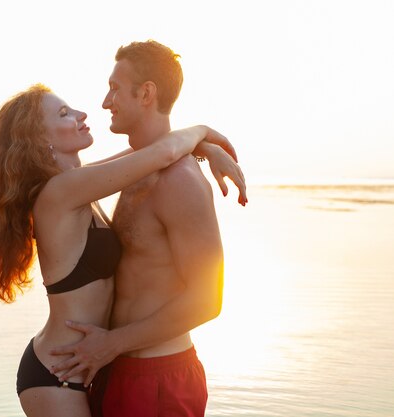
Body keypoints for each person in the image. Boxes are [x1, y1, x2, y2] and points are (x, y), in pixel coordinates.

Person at [0, 83, 245, 417]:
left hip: (86, 365)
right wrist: (204, 132)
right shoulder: (60, 192)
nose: (82, 115)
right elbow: (162, 153)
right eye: (65, 114)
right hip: (57, 374)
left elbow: (152, 153)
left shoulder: (78, 183)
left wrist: (204, 148)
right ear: (38, 138)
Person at [49, 40, 245, 417]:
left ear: (147, 94)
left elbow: (208, 299)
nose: (106, 102)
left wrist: (112, 344)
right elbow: (73, 183)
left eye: (115, 89)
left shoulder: (181, 183)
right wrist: (204, 140)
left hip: (159, 380)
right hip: (113, 367)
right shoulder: (134, 169)